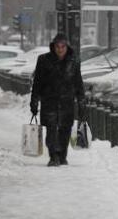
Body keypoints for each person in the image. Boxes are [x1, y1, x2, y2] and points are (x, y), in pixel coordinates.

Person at [30, 33, 84, 167]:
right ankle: (53, 155)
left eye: (63, 46)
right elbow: (37, 82)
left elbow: (78, 82)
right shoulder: (44, 60)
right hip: (50, 101)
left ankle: (63, 155)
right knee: (51, 129)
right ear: (53, 47)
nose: (60, 49)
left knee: (65, 129)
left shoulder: (74, 61)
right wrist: (34, 101)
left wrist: (81, 101)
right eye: (57, 46)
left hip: (67, 101)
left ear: (67, 47)